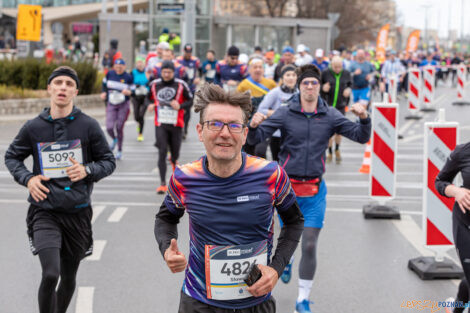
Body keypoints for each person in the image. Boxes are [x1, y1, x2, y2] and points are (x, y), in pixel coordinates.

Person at [154, 83, 304, 312]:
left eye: (234, 125)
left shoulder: (271, 175)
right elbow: (165, 219)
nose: (224, 133)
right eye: (214, 124)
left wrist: (276, 268)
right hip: (198, 302)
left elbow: (294, 222)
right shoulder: (185, 177)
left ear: (245, 134)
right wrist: (167, 249)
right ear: (199, 131)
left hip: (256, 302)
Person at [248, 64, 371, 313]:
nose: (310, 87)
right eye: (306, 83)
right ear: (300, 86)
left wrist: (364, 117)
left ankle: (302, 299)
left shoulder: (331, 115)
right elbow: (255, 140)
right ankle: (288, 259)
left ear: (318, 86)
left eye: (314, 83)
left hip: (315, 191)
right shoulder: (284, 113)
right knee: (285, 237)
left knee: (311, 244)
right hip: (285, 190)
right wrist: (252, 125)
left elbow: (361, 136)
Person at [4, 66, 116, 313]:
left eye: (68, 84)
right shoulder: (34, 127)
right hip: (45, 211)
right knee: (50, 274)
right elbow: (12, 157)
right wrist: (28, 179)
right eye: (58, 83)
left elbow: (108, 161)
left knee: (67, 278)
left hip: (77, 213)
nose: (63, 87)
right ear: (50, 88)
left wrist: (87, 170)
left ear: (76, 91)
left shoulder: (88, 126)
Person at [435, 142, 470, 313]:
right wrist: (456, 191)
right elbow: (440, 181)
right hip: (465, 225)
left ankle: (456, 308)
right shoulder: (463, 152)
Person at [148, 60, 193, 194]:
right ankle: (162, 183)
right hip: (160, 123)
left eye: (169, 72)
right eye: (164, 72)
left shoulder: (180, 85)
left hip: (176, 124)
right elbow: (147, 98)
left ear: (174, 72)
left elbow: (191, 100)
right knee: (162, 151)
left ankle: (175, 174)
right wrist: (149, 105)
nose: (166, 74)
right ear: (161, 72)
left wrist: (180, 106)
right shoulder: (154, 85)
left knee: (175, 154)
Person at [237, 57, 276, 157]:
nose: (258, 69)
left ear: (263, 69)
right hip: (248, 122)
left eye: (260, 67)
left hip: (265, 123)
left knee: (260, 151)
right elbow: (237, 104)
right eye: (255, 67)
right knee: (247, 151)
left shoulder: (271, 84)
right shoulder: (243, 85)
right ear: (250, 69)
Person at [257, 64, 297, 162]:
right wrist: (279, 113)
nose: (291, 78)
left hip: (294, 134)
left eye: (293, 75)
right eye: (288, 75)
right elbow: (261, 110)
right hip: (277, 134)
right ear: (282, 78)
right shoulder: (275, 92)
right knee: (278, 162)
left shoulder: (299, 93)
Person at [320, 56, 352, 164]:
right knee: (329, 132)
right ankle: (329, 152)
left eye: (340, 67)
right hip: (328, 106)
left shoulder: (346, 73)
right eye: (335, 67)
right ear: (331, 65)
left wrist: (348, 89)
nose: (338, 69)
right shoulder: (325, 73)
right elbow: (318, 86)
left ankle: (337, 149)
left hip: (341, 106)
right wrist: (323, 88)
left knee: (339, 132)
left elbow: (350, 84)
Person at [100, 58, 134, 160]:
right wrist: (103, 92)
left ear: (124, 67)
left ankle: (119, 150)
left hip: (123, 104)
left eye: (120, 67)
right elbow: (104, 84)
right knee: (109, 127)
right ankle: (114, 139)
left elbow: (133, 89)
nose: (118, 68)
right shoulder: (110, 74)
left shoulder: (128, 77)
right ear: (114, 66)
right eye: (116, 66)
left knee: (119, 127)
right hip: (112, 103)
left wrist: (129, 92)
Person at [177, 44, 201, 139]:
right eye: (187, 52)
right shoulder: (178, 60)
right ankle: (180, 126)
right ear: (184, 51)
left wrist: (198, 78)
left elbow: (201, 70)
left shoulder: (195, 60)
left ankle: (185, 127)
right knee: (180, 108)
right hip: (181, 88)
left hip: (191, 87)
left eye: (190, 52)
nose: (188, 54)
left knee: (187, 108)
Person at [131, 56, 150, 142]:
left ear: (144, 64)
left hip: (145, 97)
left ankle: (140, 134)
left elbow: (150, 84)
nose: (139, 64)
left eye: (141, 62)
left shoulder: (147, 73)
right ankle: (138, 123)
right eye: (138, 62)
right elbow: (129, 83)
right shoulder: (133, 72)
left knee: (141, 115)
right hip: (136, 97)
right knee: (136, 116)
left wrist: (146, 88)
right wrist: (135, 86)